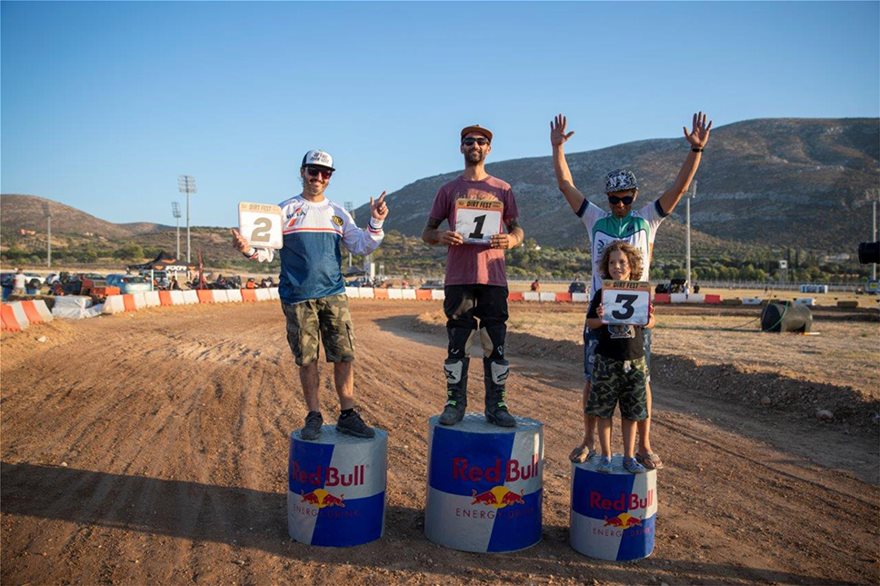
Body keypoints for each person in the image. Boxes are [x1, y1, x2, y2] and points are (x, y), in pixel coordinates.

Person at [551, 112, 712, 469]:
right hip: (600, 314)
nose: (620, 205)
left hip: (637, 318)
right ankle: (588, 440)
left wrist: (696, 151)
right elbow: (565, 185)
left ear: (634, 196)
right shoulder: (595, 219)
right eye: (614, 199)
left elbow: (679, 189)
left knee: (642, 381)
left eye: (625, 198)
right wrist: (557, 148)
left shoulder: (647, 219)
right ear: (607, 199)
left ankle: (643, 444)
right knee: (593, 379)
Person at [232, 149, 389, 440]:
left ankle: (347, 414)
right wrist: (248, 250)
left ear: (330, 178)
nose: (318, 177)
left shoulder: (339, 213)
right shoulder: (284, 211)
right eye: (313, 171)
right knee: (307, 359)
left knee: (344, 355)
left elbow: (361, 245)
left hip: (334, 295)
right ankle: (314, 415)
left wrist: (376, 222)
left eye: (325, 173)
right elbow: (266, 253)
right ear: (302, 172)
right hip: (297, 296)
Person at [422, 124, 525, 427]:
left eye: (481, 141)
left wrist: (513, 240)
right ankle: (455, 402)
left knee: (496, 342)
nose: (475, 145)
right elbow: (427, 232)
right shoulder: (448, 190)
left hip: (493, 276)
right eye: (469, 141)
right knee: (459, 341)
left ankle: (498, 403)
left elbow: (517, 228)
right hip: (459, 277)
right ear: (461, 148)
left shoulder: (503, 189)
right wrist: (441, 237)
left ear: (489, 149)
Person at [585, 241, 655, 474]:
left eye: (622, 262)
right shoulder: (601, 293)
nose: (617, 266)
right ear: (606, 266)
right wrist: (601, 318)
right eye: (612, 262)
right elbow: (590, 323)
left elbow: (651, 320)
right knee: (604, 411)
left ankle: (628, 456)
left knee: (632, 412)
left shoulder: (641, 291)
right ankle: (606, 455)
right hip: (606, 359)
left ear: (632, 265)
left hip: (634, 359)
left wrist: (646, 319)